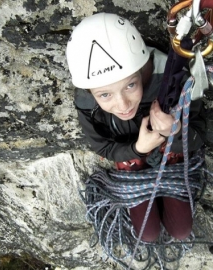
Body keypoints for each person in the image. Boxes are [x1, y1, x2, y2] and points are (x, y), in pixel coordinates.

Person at [66, 13, 207, 242]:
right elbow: (103, 148)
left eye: (130, 85)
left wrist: (176, 133)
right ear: (90, 91)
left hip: (173, 153)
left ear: (142, 70)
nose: (122, 105)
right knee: (147, 235)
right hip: (132, 156)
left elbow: (200, 135)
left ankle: (164, 159)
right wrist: (137, 149)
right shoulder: (87, 102)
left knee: (181, 231)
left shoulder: (175, 80)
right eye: (105, 95)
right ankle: (136, 163)